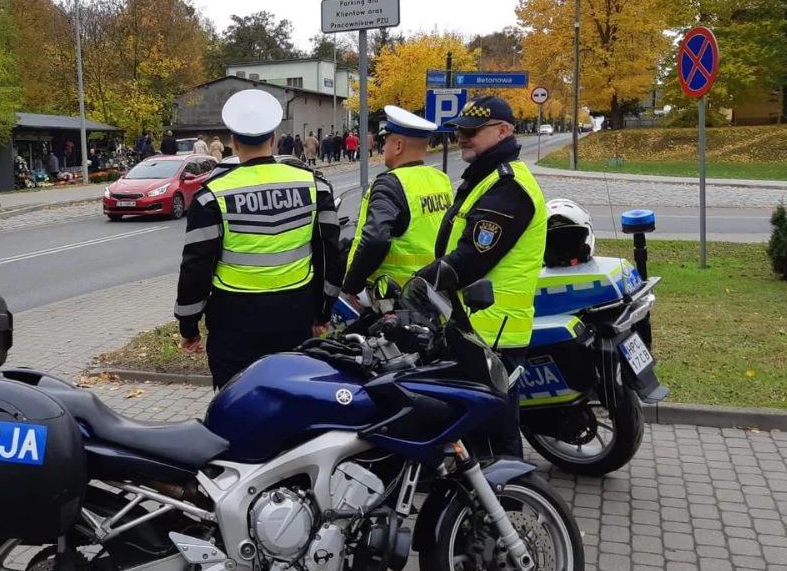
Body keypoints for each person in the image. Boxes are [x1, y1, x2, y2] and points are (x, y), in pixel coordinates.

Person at [174, 89, 344, 388]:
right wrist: (323, 312)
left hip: (234, 322)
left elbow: (195, 268)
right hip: (296, 314)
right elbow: (330, 255)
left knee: (237, 402)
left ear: (233, 142)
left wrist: (189, 326)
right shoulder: (315, 187)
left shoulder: (211, 196)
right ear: (274, 139)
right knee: (294, 396)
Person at [417, 96, 548, 459]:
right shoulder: (487, 177)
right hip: (476, 326)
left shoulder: (509, 187)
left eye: (473, 131)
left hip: (493, 333)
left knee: (495, 437)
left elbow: (472, 259)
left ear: (504, 131)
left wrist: (418, 283)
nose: (463, 137)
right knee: (475, 433)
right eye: (460, 130)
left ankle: (509, 508)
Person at [342, 106, 453, 299]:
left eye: (386, 141)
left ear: (399, 146)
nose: (383, 148)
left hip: (394, 294)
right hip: (432, 289)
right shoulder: (440, 179)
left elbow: (375, 241)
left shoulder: (390, 183)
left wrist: (352, 285)